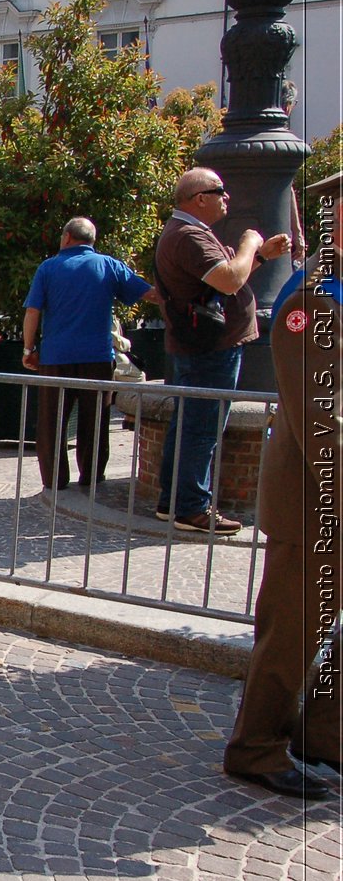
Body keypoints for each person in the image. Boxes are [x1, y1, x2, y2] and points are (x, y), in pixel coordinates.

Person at [222, 194, 340, 800]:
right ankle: (257, 747)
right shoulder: (315, 298)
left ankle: (324, 737)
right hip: (316, 500)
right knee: (293, 629)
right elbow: (324, 416)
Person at [154, 167, 290, 535]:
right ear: (200, 198)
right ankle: (192, 508)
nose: (226, 197)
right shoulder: (188, 236)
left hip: (201, 345)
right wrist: (250, 244)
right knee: (202, 428)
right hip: (210, 349)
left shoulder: (189, 233)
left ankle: (175, 502)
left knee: (189, 425)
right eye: (220, 191)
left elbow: (220, 280)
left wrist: (258, 257)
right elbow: (229, 280)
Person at [22, 217, 158, 490]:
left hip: (56, 357)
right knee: (95, 419)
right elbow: (149, 294)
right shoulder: (108, 265)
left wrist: (28, 349)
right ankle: (92, 476)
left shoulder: (48, 268)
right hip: (97, 356)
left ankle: (54, 480)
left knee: (52, 422)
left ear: (67, 237)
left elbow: (33, 311)